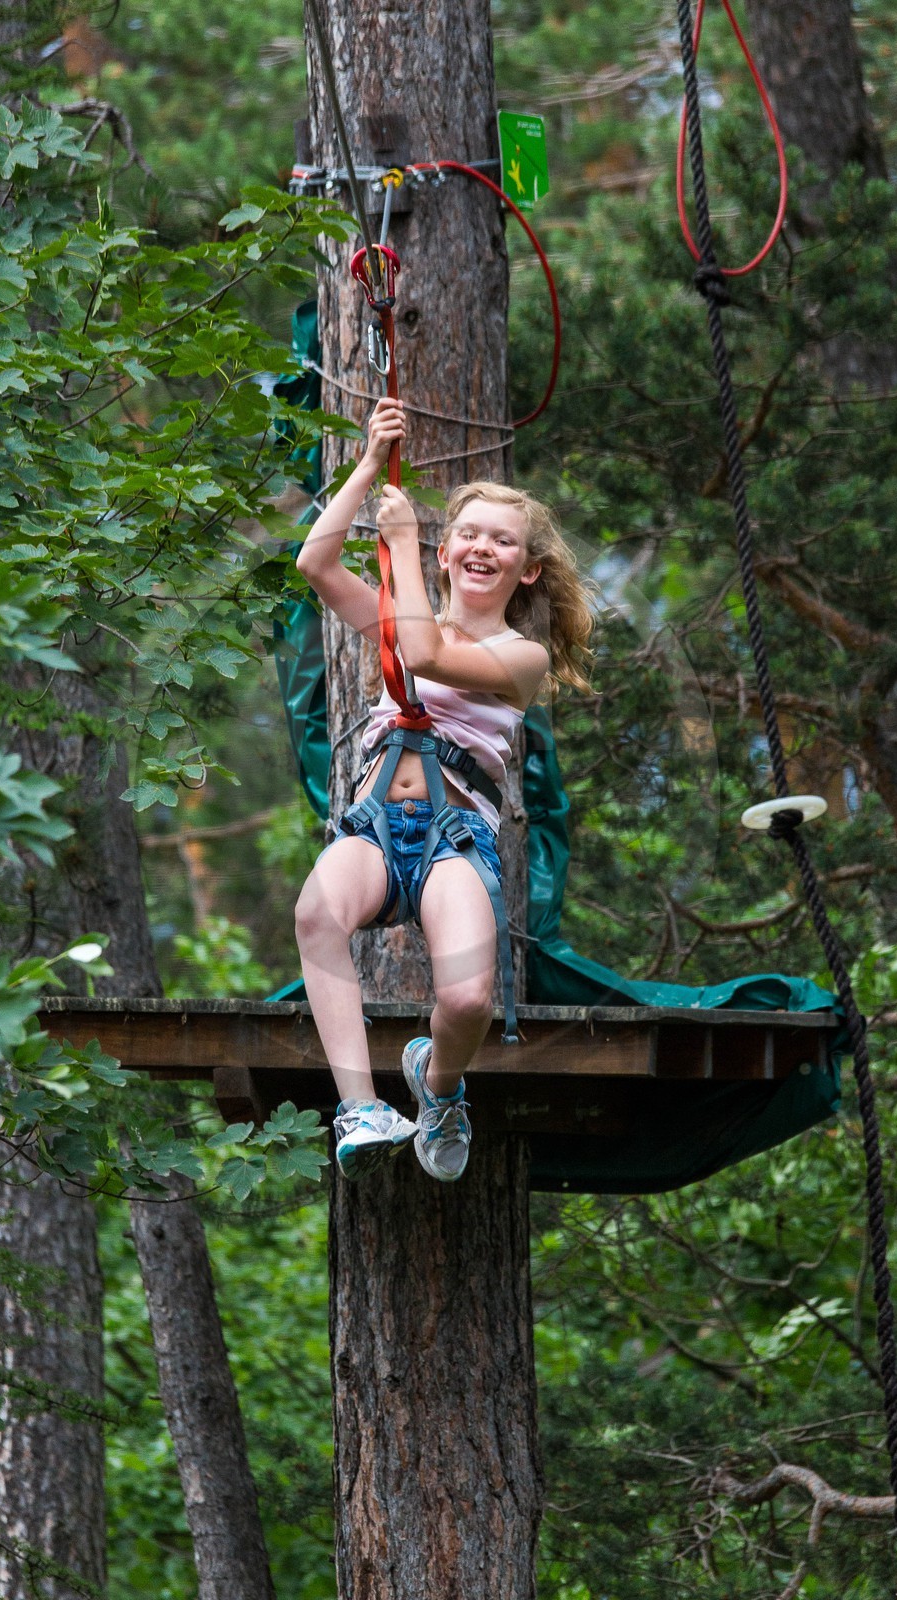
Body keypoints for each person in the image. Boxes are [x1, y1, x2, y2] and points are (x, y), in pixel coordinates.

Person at [294, 396, 595, 1183]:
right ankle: (357, 1105)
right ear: (447, 552)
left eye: (502, 540)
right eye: (468, 533)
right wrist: (366, 465)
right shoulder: (402, 621)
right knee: (315, 914)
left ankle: (439, 1085)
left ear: (526, 568)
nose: (480, 547)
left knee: (466, 1005)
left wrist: (400, 541)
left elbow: (424, 654)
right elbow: (315, 566)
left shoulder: (518, 655)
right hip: (375, 823)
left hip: (453, 837)